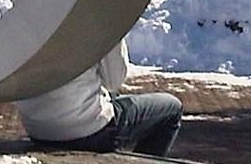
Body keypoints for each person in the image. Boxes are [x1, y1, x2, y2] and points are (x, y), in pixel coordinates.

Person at [15, 39, 183, 156]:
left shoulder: (30, 13)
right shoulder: (98, 20)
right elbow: (114, 80)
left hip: (37, 127)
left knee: (111, 97)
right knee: (172, 108)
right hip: (86, 131)